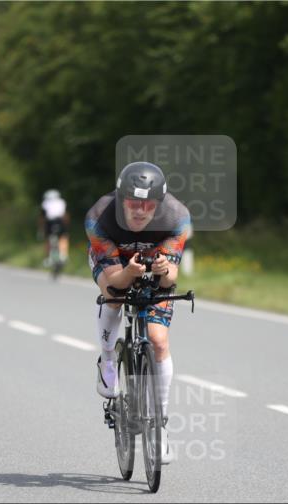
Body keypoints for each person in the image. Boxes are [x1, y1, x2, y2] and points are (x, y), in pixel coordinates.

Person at [86, 162, 190, 464]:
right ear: (121, 200)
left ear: (158, 204)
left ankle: (161, 429)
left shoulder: (177, 217)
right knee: (115, 299)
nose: (140, 211)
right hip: (116, 263)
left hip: (153, 262)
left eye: (147, 205)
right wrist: (129, 272)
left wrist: (164, 268)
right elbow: (114, 286)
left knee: (158, 340)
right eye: (133, 203)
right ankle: (107, 359)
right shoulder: (99, 217)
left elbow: (170, 279)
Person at [39, 189, 70, 266]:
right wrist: (66, 226)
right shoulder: (62, 202)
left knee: (48, 239)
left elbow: (42, 217)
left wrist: (41, 229)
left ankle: (48, 257)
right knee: (63, 238)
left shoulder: (45, 203)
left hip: (50, 222)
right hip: (60, 222)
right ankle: (64, 255)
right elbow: (65, 215)